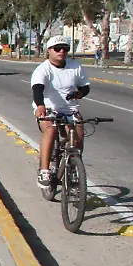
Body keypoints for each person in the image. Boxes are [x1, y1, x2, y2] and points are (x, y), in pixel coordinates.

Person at [31, 36, 90, 189]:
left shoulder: (75, 66)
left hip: (70, 109)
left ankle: (74, 167)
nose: (62, 51)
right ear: (49, 50)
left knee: (77, 139)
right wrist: (40, 105)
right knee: (50, 130)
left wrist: (79, 94)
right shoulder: (43, 69)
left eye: (65, 48)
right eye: (57, 48)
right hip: (48, 108)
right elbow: (37, 89)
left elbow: (85, 87)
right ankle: (44, 171)